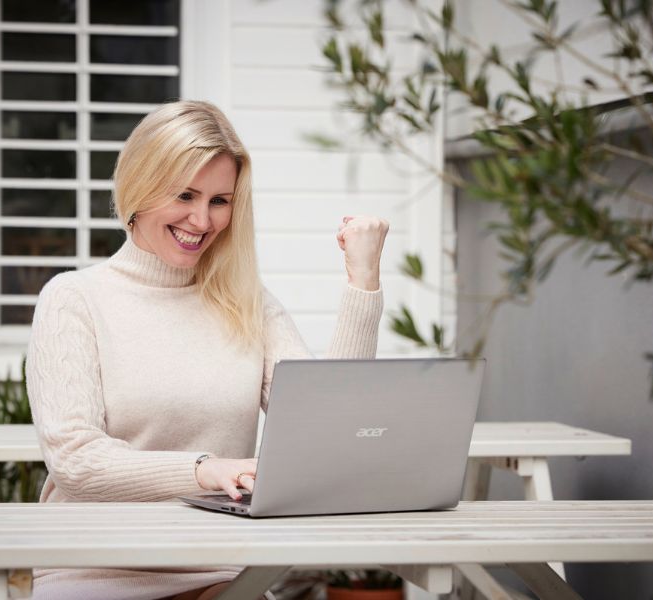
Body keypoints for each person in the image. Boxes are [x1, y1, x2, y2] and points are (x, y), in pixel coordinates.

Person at [26, 100, 389, 600]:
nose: (202, 220)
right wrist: (204, 469)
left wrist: (362, 281)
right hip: (96, 567)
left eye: (220, 200)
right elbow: (77, 461)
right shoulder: (73, 299)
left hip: (217, 568)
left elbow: (331, 427)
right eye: (184, 195)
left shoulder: (248, 303)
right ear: (139, 187)